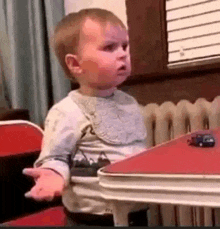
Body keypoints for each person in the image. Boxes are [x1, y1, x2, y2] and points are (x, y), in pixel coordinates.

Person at [22, 8, 148, 226]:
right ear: (75, 64)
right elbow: (56, 157)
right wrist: (53, 175)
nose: (122, 54)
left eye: (124, 46)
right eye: (109, 47)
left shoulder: (130, 103)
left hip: (135, 212)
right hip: (91, 219)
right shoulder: (66, 111)